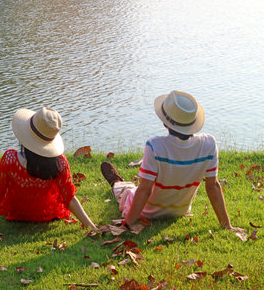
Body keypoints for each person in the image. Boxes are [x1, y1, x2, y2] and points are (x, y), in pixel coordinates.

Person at [100, 90, 243, 232]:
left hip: (148, 212)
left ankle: (116, 181)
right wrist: (227, 225)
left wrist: (127, 223)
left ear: (165, 123)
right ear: (192, 122)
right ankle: (120, 182)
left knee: (127, 191)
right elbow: (213, 186)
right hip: (179, 211)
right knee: (138, 187)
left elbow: (144, 190)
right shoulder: (209, 144)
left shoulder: (155, 146)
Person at [0, 106, 97, 232]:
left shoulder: (10, 159)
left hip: (17, 213)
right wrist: (92, 226)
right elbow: (70, 199)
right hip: (48, 214)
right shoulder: (60, 163)